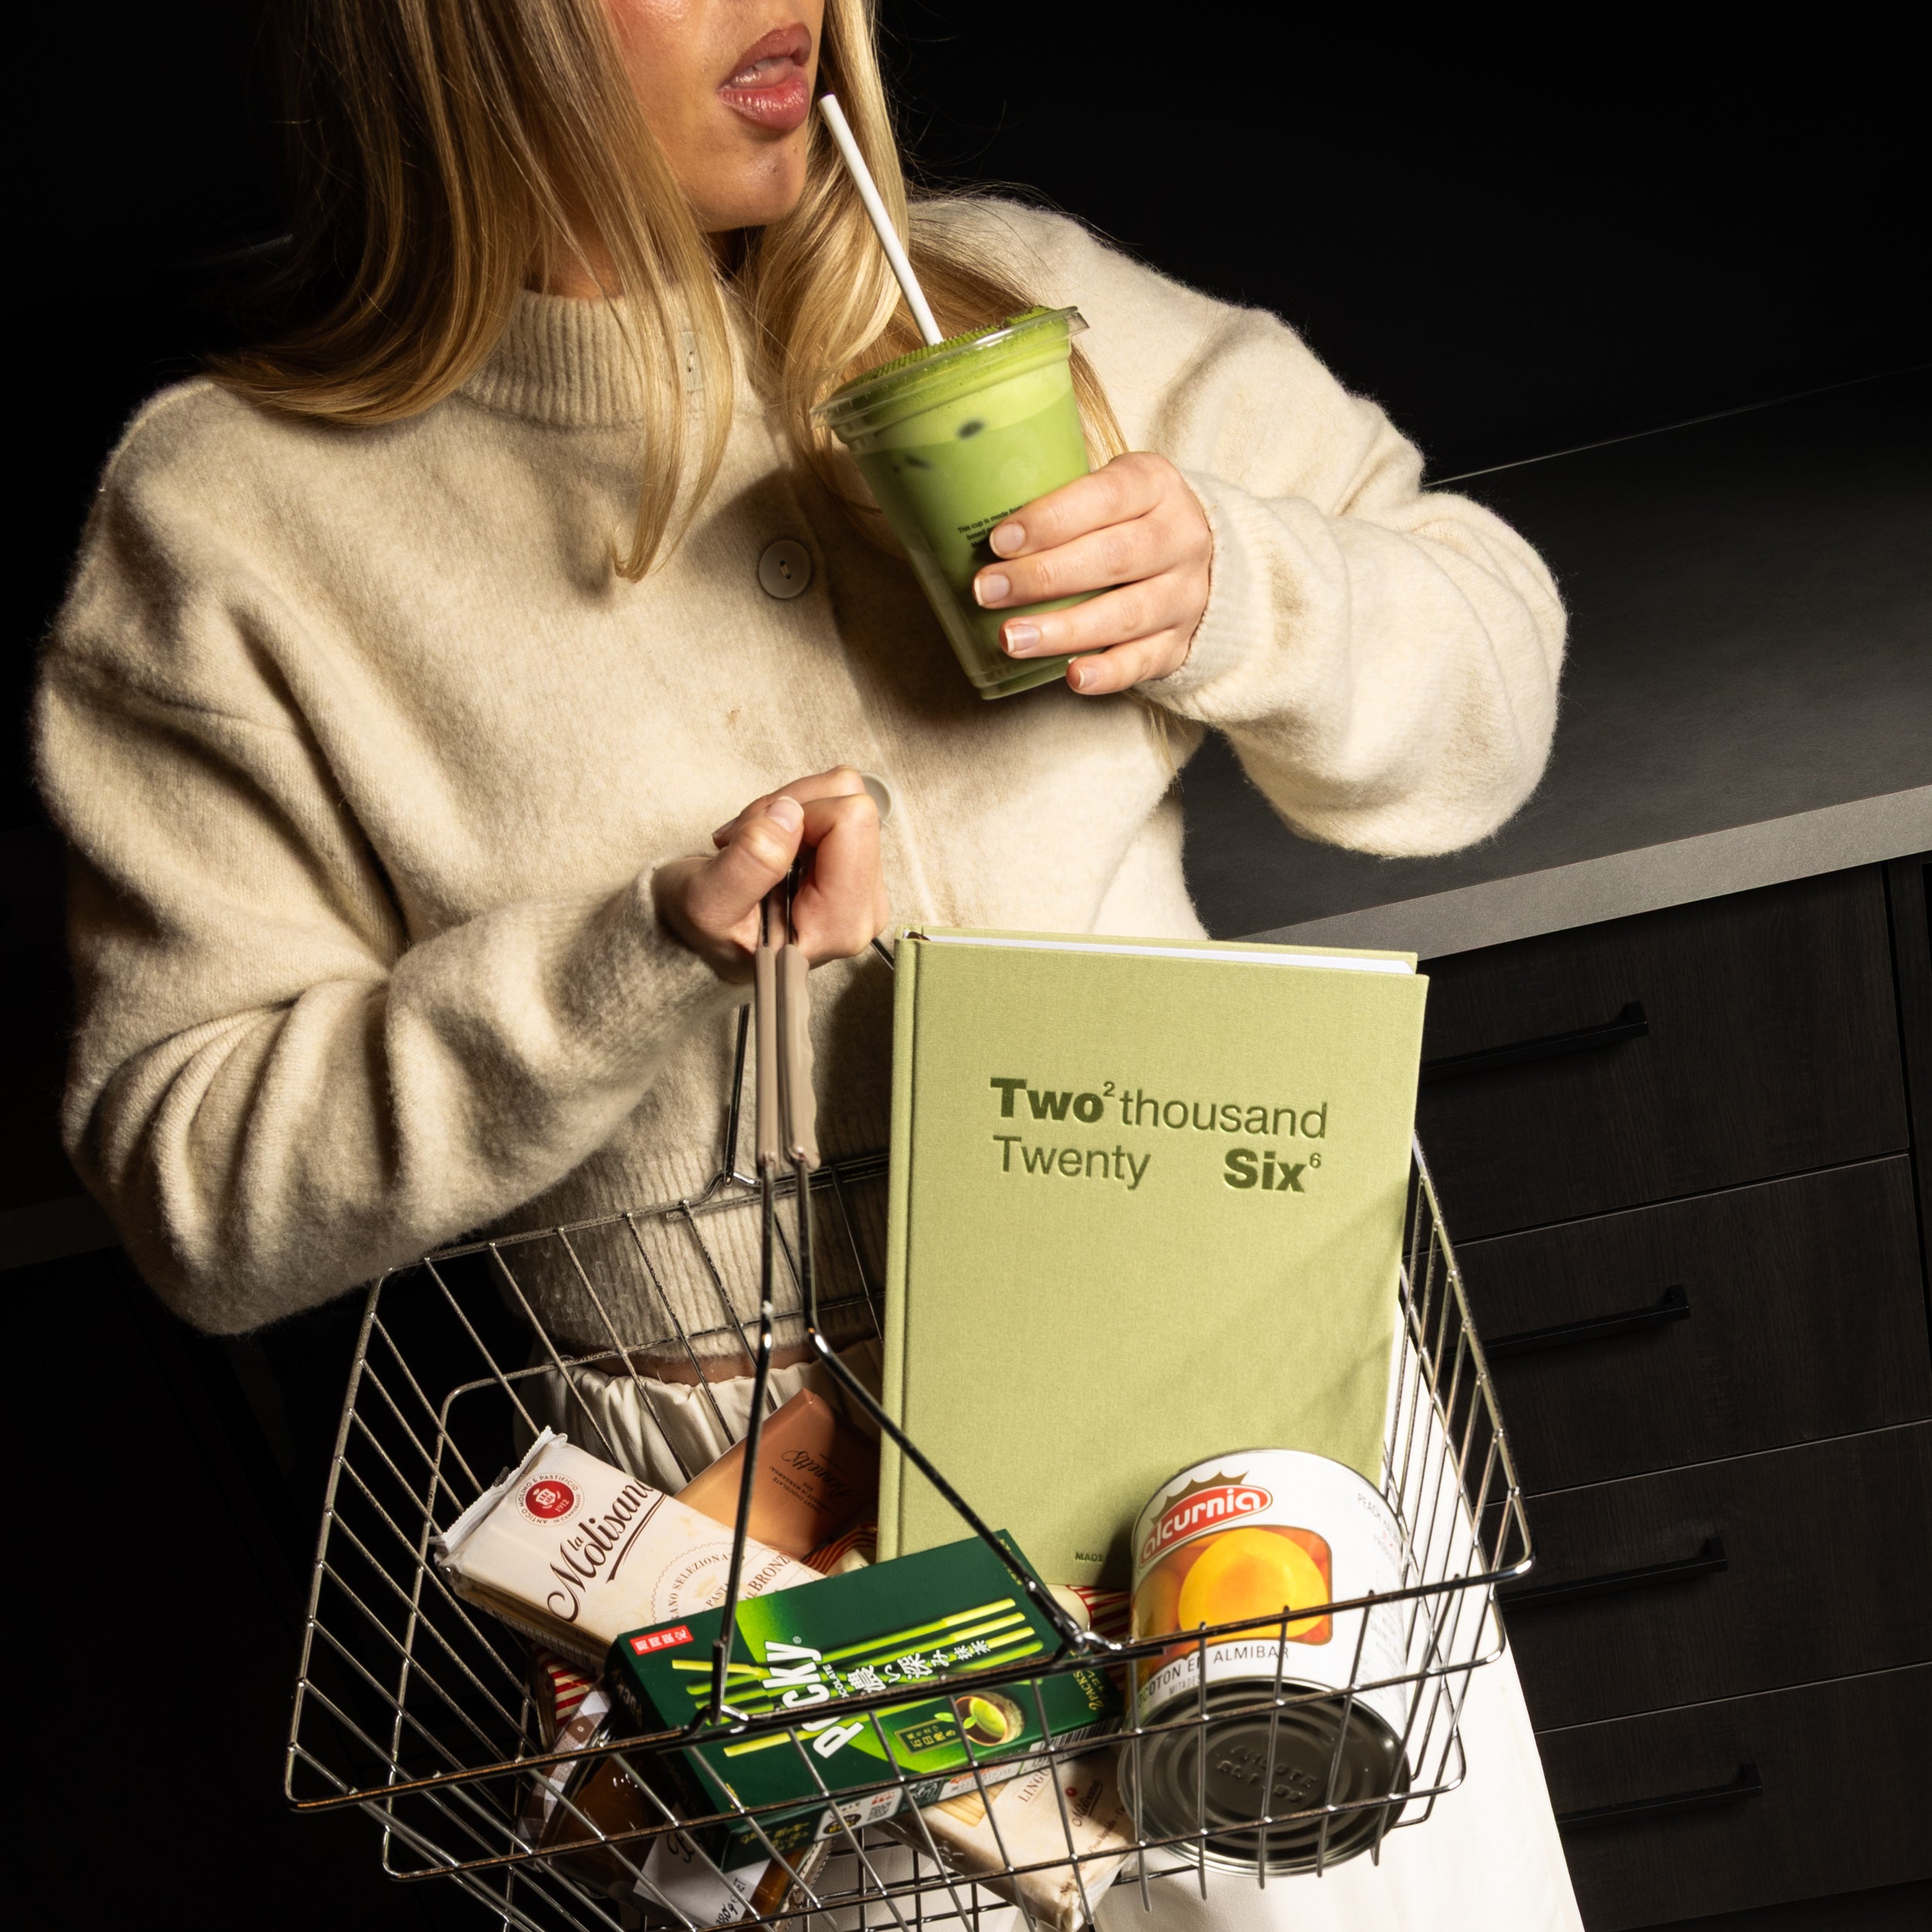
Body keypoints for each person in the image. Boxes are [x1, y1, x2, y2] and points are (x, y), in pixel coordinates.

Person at [36, 2, 1577, 1925]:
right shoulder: (234, 512)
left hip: (1246, 1453)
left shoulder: (1007, 305)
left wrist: (1234, 585)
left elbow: (1491, 680)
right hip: (768, 1577)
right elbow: (195, 1193)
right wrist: (629, 955)